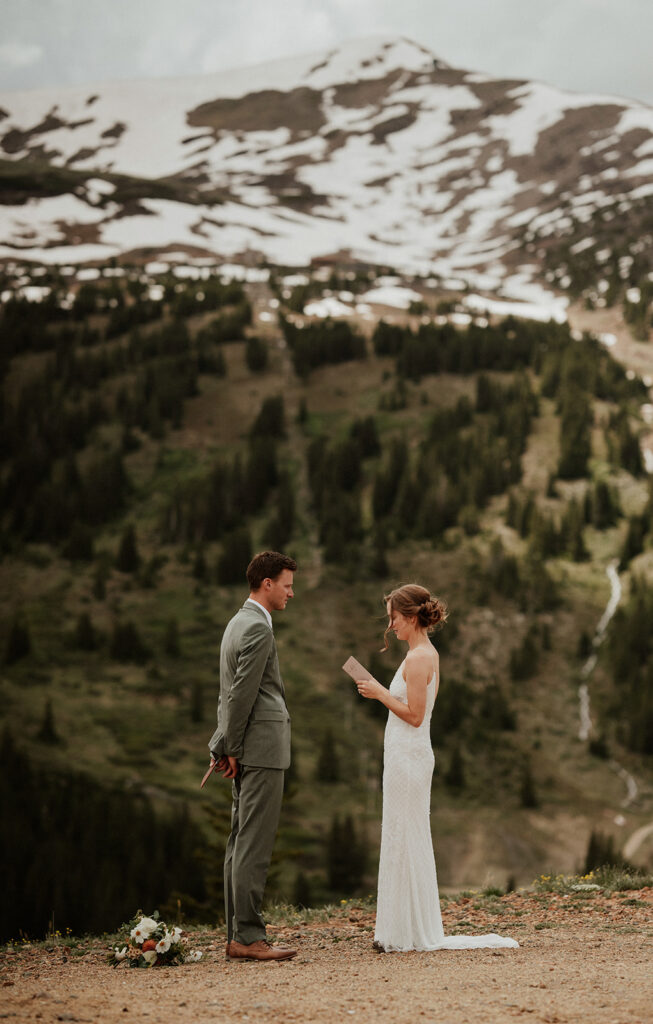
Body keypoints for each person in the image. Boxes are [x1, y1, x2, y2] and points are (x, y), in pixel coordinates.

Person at [356, 583, 518, 953]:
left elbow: (415, 716)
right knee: (402, 831)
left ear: (411, 617)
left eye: (394, 618)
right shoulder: (423, 653)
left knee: (405, 832)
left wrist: (380, 692)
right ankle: (401, 927)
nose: (391, 626)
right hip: (406, 754)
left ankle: (404, 930)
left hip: (409, 755)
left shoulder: (418, 658)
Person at [207, 550, 298, 962]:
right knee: (253, 845)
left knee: (239, 841)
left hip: (247, 747)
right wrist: (233, 748)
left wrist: (222, 744)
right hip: (260, 748)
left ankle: (238, 934)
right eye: (287, 584)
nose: (290, 593)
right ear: (267, 583)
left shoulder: (236, 623)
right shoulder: (259, 629)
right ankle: (247, 936)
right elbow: (242, 694)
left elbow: (228, 693)